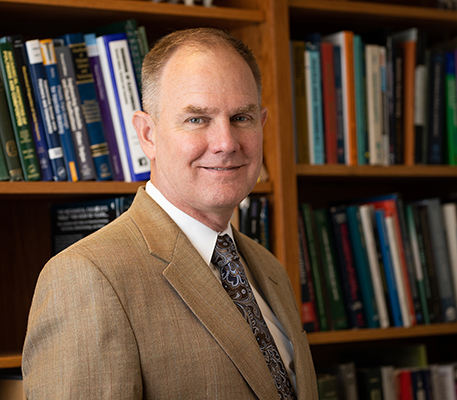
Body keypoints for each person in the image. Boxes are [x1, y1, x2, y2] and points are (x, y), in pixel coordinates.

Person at [22, 27, 318, 399]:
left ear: (262, 125)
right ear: (147, 134)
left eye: (241, 118)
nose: (226, 143)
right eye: (197, 119)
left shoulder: (268, 269)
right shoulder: (87, 278)